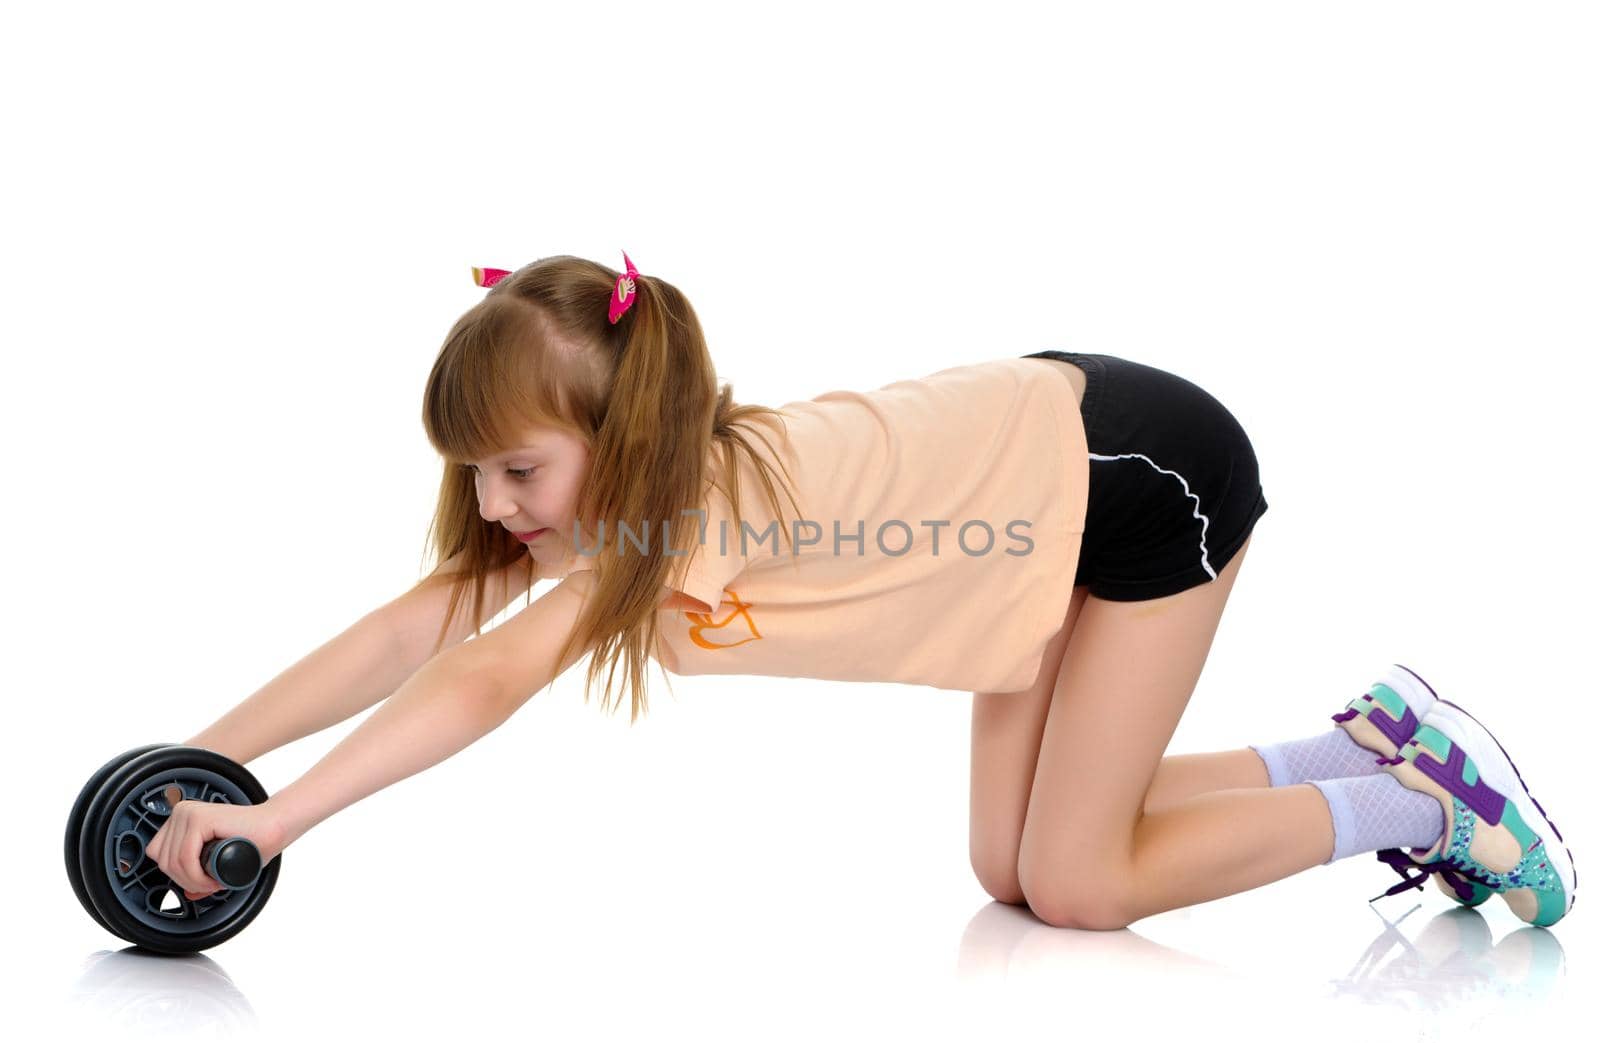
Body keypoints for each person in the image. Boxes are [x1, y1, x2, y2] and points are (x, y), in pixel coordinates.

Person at [144, 253, 1577, 929]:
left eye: (518, 471)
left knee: (1079, 881)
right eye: (483, 475)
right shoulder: (609, 507)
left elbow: (480, 678)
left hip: (1140, 477)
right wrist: (205, 763)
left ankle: (1429, 803)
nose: (500, 506)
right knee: (1007, 868)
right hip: (1018, 507)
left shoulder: (675, 516)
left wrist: (271, 826)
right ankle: (1363, 741)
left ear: (617, 436)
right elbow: (416, 626)